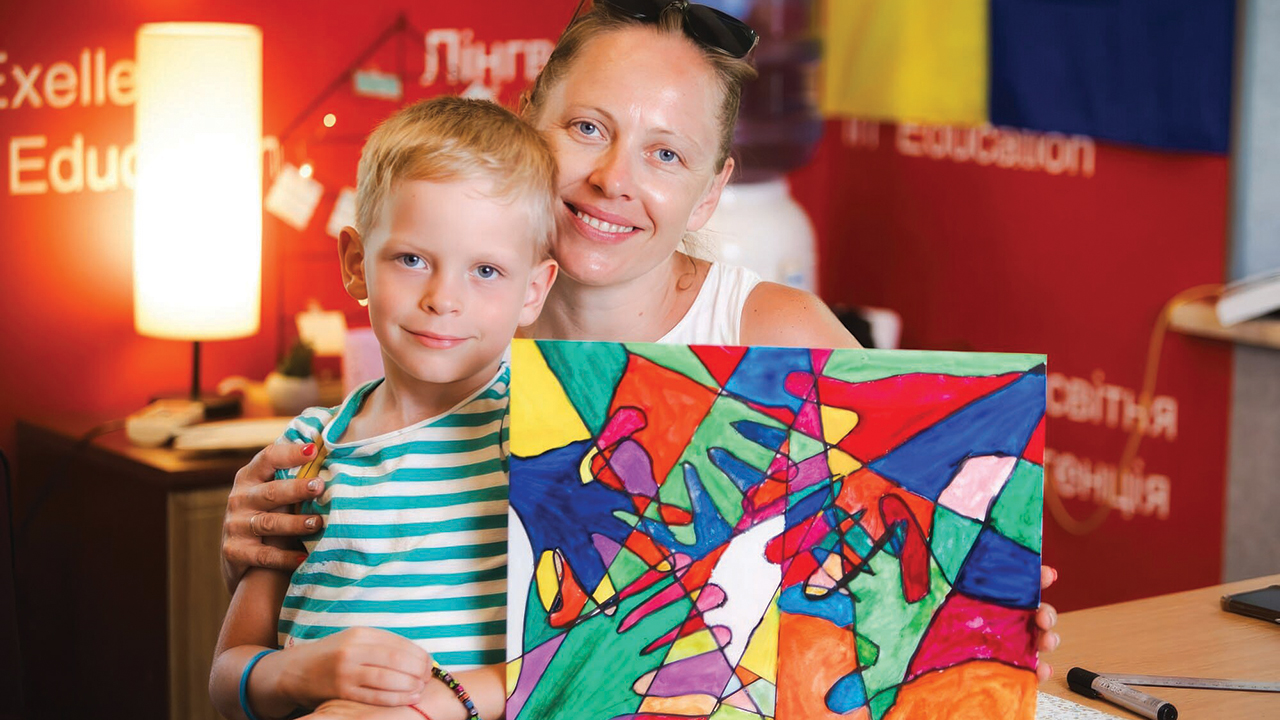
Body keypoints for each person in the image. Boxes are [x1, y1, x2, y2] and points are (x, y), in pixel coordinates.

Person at [221, 3, 1060, 716]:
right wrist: (251, 549)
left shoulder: (781, 337)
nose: (613, 178)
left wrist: (974, 610)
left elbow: (889, 573)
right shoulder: (455, 332)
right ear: (529, 121)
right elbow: (346, 577)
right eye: (587, 128)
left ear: (710, 190)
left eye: (666, 153)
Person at [208, 96, 559, 720]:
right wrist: (298, 672)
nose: (443, 298)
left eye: (485, 270)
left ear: (533, 290)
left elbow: (574, 659)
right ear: (355, 263)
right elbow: (227, 676)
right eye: (412, 260)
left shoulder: (540, 438)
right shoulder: (308, 448)